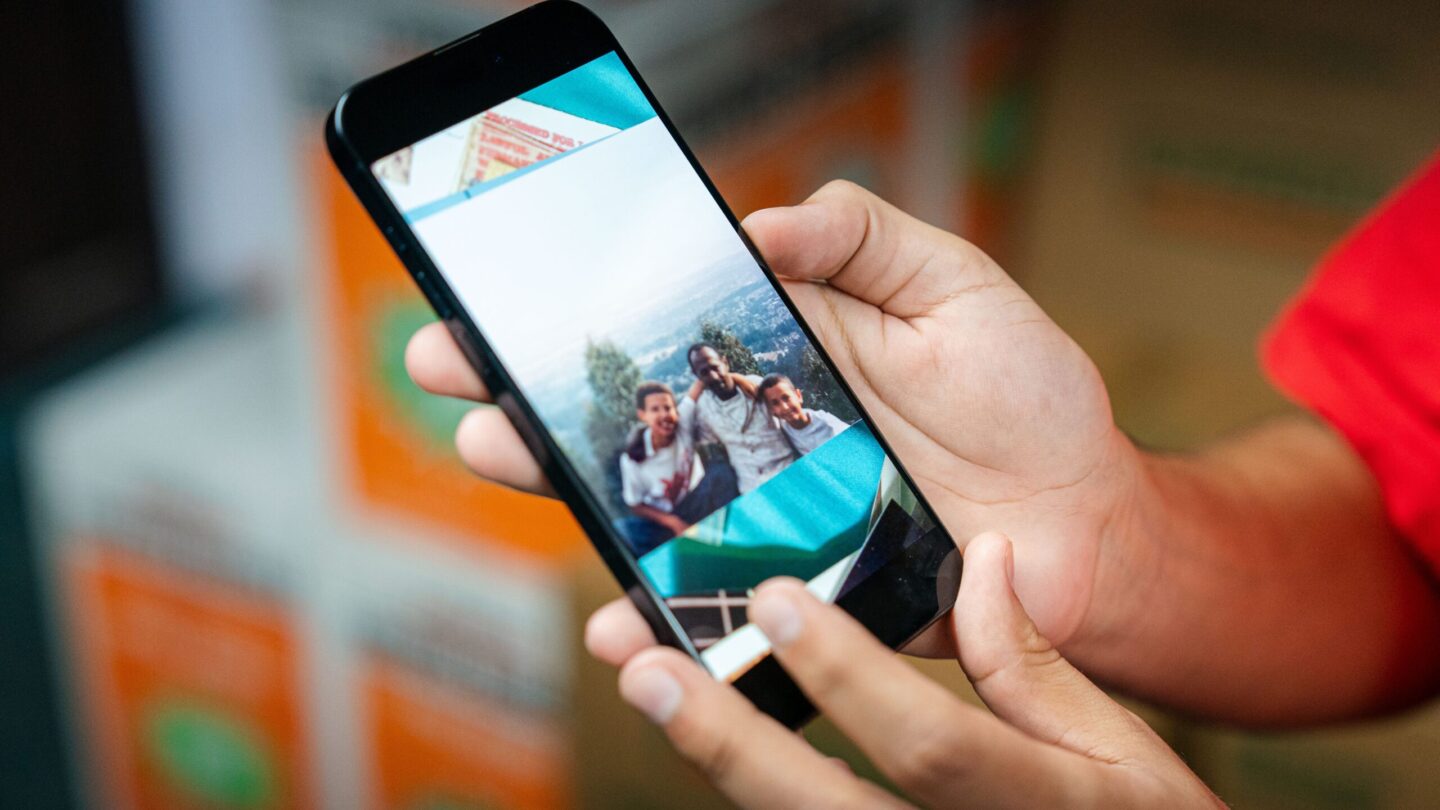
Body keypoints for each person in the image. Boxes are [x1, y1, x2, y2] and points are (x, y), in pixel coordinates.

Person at [405, 154, 1440, 806]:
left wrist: (791, 414)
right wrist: (1119, 537)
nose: (701, 380)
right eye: (691, 379)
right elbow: (1405, 496)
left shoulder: (757, 386)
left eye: (707, 373)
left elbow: (793, 415)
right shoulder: (672, 428)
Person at [617, 381, 738, 555]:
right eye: (655, 409)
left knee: (720, 472)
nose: (664, 415)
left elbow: (697, 386)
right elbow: (635, 504)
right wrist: (673, 522)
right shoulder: (631, 459)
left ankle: (723, 534)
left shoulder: (683, 423)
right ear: (642, 415)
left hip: (699, 501)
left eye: (668, 408)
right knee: (622, 529)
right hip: (667, 518)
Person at [685, 343, 795, 493]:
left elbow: (791, 413)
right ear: (696, 376)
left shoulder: (755, 384)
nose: (714, 377)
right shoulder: (704, 409)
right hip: (752, 489)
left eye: (715, 367)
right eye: (704, 372)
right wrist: (692, 394)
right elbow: (680, 431)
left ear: (725, 362)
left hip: (789, 473)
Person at [755, 373, 850, 456]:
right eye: (775, 403)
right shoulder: (781, 429)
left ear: (798, 396)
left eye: (786, 398)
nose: (784, 407)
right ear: (771, 409)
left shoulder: (829, 426)